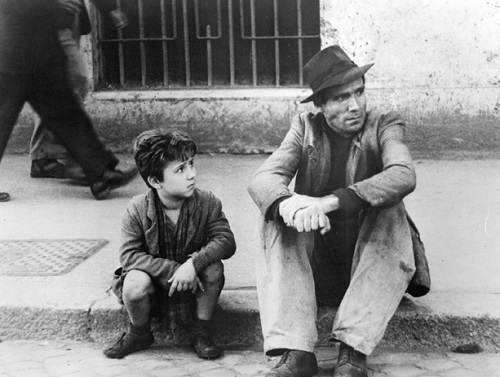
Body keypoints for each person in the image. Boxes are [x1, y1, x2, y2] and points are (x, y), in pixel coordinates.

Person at [248, 45, 428, 377]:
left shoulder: (384, 124)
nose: (355, 105)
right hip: (318, 267)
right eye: (341, 98)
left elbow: (403, 174)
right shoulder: (305, 126)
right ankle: (297, 351)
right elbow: (263, 178)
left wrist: (328, 202)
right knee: (273, 214)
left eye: (359, 92)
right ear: (320, 105)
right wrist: (290, 205)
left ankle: (353, 353)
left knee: (390, 209)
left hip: (372, 268)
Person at [103, 130, 236, 360]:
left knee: (214, 268)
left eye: (191, 164)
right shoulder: (137, 209)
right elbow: (129, 256)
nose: (192, 174)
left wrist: (194, 264)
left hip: (194, 288)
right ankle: (139, 333)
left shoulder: (207, 202)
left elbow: (225, 240)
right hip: (155, 287)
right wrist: (175, 270)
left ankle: (200, 331)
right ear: (155, 181)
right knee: (134, 282)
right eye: (180, 169)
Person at [0, 0, 136, 202]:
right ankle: (100, 174)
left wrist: (108, 9)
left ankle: (101, 174)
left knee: (67, 114)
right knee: (61, 114)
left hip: (33, 51)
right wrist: (57, 6)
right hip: (21, 51)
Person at [30, 0, 128, 182]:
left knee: (58, 87)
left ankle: (45, 157)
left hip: (69, 19)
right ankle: (77, 161)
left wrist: (110, 8)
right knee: (71, 84)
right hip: (50, 20)